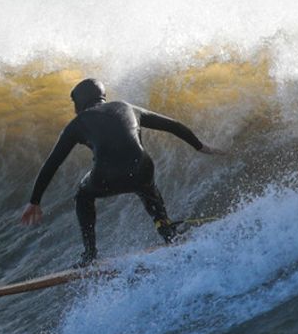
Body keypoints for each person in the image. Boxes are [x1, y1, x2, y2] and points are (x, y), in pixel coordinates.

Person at [20, 78, 219, 265]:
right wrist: (200, 146)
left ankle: (90, 255)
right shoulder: (126, 107)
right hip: (142, 168)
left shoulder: (77, 124)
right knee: (147, 187)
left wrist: (35, 200)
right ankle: (166, 231)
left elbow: (52, 163)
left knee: (83, 195)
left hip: (105, 176)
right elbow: (173, 126)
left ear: (80, 102)